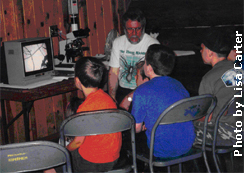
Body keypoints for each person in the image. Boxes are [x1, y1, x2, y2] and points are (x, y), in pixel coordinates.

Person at [45, 57, 122, 173]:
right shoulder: (109, 99)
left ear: (77, 81)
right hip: (113, 158)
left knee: (50, 168)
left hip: (91, 163)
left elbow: (78, 142)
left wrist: (64, 151)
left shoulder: (84, 109)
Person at [131, 44, 195, 158]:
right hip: (187, 145)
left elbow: (135, 129)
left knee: (130, 141)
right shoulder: (178, 85)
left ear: (149, 68)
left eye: (145, 62)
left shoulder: (142, 91)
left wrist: (143, 126)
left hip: (161, 150)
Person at [194, 28, 244, 146]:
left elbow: (206, 116)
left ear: (210, 52)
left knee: (183, 130)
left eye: (202, 48)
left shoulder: (209, 78)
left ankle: (207, 164)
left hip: (228, 133)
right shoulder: (240, 70)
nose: (200, 51)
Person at [108, 8, 159, 104]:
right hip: (123, 90)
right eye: (130, 29)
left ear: (143, 28)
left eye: (138, 29)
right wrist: (112, 98)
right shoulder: (118, 42)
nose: (134, 33)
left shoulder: (153, 45)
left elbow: (155, 80)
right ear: (124, 29)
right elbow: (114, 72)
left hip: (145, 91)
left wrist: (130, 98)